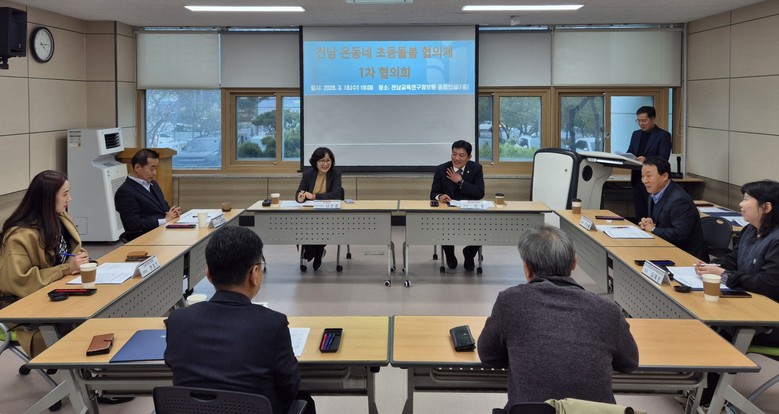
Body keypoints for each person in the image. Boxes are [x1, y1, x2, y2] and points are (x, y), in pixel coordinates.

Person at [478, 226, 639, 405]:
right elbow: (629, 363)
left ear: (527, 268)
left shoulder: (510, 301)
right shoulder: (609, 310)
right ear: (574, 263)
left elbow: (489, 356)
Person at [165, 226, 315, 414]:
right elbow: (290, 388)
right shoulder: (272, 324)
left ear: (208, 275)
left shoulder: (177, 320)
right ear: (254, 274)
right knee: (304, 401)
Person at [693, 179, 779, 407]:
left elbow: (769, 283)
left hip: (771, 321)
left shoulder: (777, 240)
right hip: (749, 308)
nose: (741, 204)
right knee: (703, 321)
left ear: (766, 207)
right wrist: (712, 267)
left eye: (746, 199)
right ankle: (698, 390)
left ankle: (709, 399)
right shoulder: (750, 230)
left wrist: (725, 275)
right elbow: (734, 259)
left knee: (716, 330)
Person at [0, 170, 89, 357]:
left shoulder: (61, 218)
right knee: (86, 326)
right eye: (65, 194)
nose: (70, 199)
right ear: (47, 199)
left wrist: (80, 259)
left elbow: (72, 251)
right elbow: (19, 282)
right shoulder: (19, 236)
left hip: (59, 294)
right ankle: (78, 368)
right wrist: (66, 268)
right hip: (23, 310)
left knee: (97, 310)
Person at [637, 157, 707, 262]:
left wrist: (653, 229)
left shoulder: (679, 200)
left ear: (664, 176)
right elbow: (659, 222)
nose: (644, 180)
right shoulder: (654, 194)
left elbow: (680, 235)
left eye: (649, 176)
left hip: (687, 258)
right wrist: (649, 222)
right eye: (642, 176)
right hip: (664, 248)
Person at [430, 140, 485, 271]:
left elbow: (479, 193)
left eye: (461, 155)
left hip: (470, 213)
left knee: (483, 228)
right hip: (448, 215)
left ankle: (469, 253)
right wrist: (440, 196)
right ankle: (449, 253)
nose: (457, 158)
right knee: (443, 226)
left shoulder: (476, 168)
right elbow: (433, 193)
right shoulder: (442, 169)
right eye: (454, 154)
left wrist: (461, 181)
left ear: (469, 157)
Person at [114, 148, 180, 241]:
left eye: (156, 168)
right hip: (145, 238)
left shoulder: (153, 184)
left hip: (163, 233)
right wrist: (164, 220)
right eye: (152, 169)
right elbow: (133, 224)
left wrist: (172, 213)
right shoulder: (125, 192)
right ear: (137, 168)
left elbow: (164, 208)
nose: (155, 173)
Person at [295, 147, 343, 270]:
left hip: (328, 213)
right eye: (322, 161)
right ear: (315, 161)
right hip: (309, 213)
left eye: (328, 160)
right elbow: (299, 192)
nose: (325, 164)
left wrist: (314, 196)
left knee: (321, 224)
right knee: (305, 225)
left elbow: (337, 194)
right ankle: (316, 251)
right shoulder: (308, 174)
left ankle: (316, 251)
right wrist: (300, 198)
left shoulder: (335, 173)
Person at [626, 106, 672, 220]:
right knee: (640, 214)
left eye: (644, 120)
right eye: (638, 121)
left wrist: (646, 160)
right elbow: (630, 152)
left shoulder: (663, 135)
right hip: (637, 179)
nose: (641, 124)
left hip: (654, 180)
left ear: (653, 119)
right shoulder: (636, 134)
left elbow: (663, 159)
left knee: (653, 214)